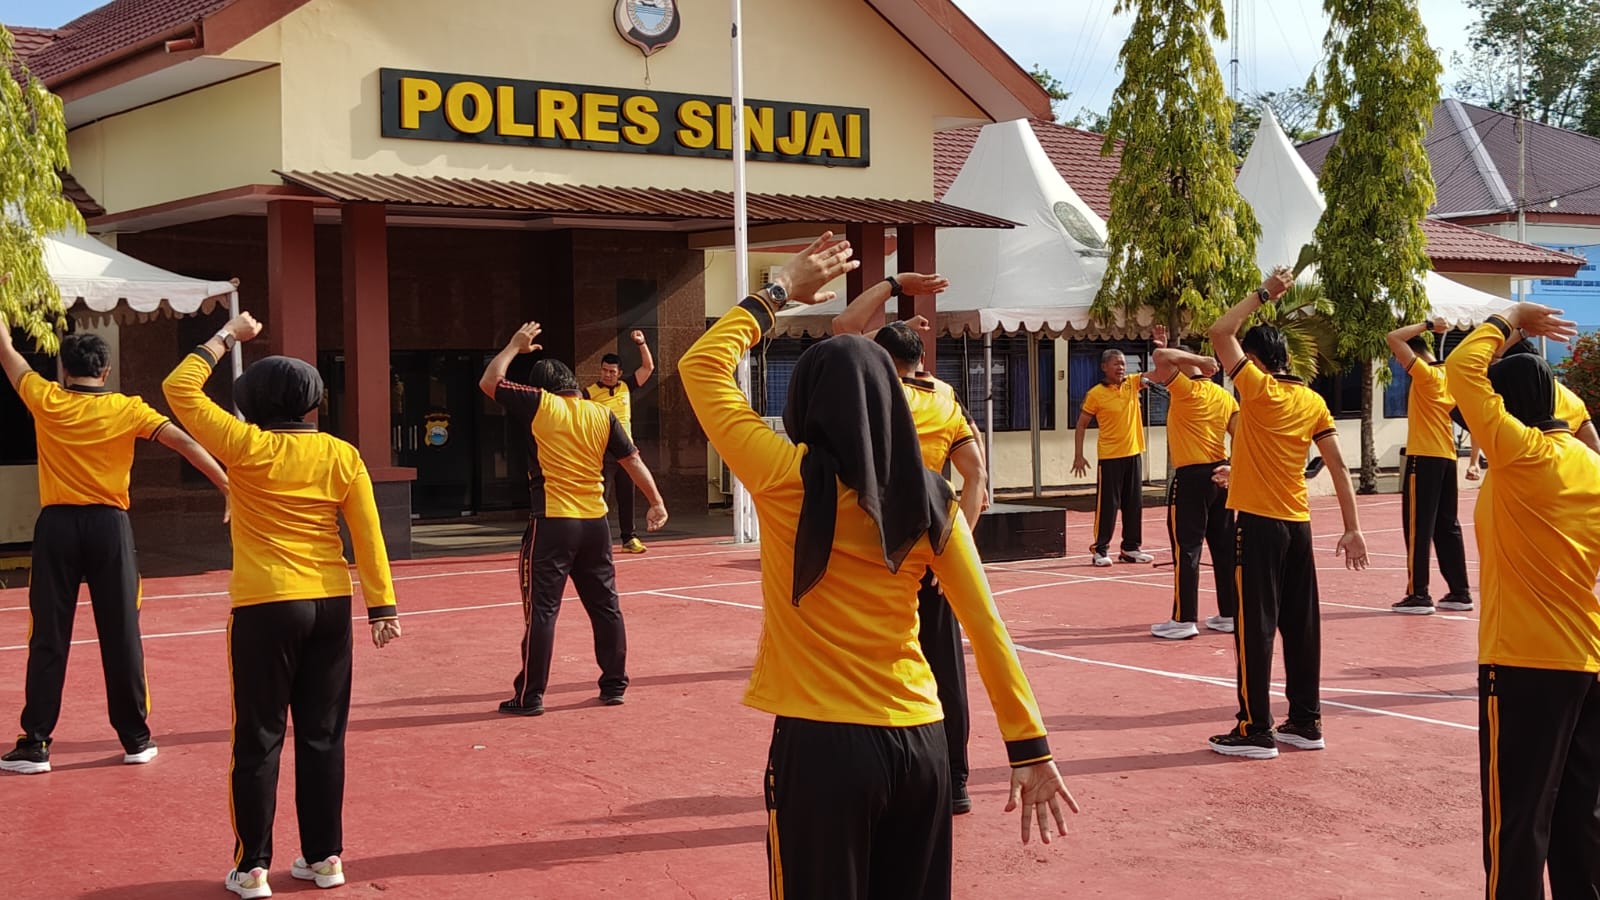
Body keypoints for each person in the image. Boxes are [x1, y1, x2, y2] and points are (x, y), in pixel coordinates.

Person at [681, 233, 1076, 899]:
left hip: (822, 744)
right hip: (920, 740)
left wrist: (778, 290)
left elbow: (701, 367)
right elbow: (986, 628)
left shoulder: (784, 478)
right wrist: (1028, 746)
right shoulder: (933, 498)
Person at [160, 313, 402, 899]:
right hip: (330, 602)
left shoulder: (245, 444)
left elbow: (177, 388)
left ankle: (252, 868)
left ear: (254, 402)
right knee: (323, 735)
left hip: (266, 603)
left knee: (259, 737)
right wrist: (382, 606)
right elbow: (367, 534)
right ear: (313, 402)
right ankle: (325, 858)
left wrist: (226, 336)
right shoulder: (342, 454)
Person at [0, 319, 228, 776]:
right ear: (105, 371)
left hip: (57, 526)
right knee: (122, 631)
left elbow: (6, 351)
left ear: (64, 370)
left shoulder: (46, 398)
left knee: (48, 635)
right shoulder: (128, 409)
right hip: (110, 526)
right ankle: (136, 738)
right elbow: (184, 442)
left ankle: (36, 743)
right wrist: (226, 485)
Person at [1444, 302, 1600, 899]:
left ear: (1503, 409)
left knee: (1517, 826)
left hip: (1523, 662)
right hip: (1586, 661)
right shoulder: (1589, 466)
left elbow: (1461, 369)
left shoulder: (1519, 452)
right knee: (1579, 821)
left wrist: (1509, 319)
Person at [835, 280, 990, 817]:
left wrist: (894, 285)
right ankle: (956, 781)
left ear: (880, 360)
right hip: (932, 545)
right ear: (921, 358)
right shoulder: (945, 398)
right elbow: (977, 477)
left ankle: (875, 777)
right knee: (946, 667)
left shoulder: (875, 392)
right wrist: (956, 546)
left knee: (866, 662)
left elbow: (843, 328)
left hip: (875, 548)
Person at [1206, 267, 1368, 759]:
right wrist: (1353, 528)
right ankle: (1305, 721)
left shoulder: (1258, 389)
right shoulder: (1312, 401)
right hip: (1298, 525)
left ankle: (1255, 728)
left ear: (1255, 361)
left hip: (1258, 526)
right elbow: (1337, 466)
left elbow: (1220, 331)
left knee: (1254, 628)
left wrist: (1264, 293)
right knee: (1301, 626)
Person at [482, 322, 667, 717]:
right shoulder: (601, 413)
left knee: (543, 612)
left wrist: (514, 345)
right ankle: (614, 684)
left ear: (543, 388)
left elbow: (490, 381)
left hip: (553, 520)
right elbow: (632, 460)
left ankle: (530, 695)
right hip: (596, 523)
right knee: (606, 606)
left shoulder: (540, 404)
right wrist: (656, 501)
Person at [1143, 326, 1239, 641]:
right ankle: (1229, 613)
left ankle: (1184, 619)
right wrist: (1233, 468)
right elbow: (1241, 437)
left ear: (1183, 369)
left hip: (1191, 478)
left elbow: (1162, 358)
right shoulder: (1225, 397)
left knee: (1187, 548)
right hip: (1221, 475)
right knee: (1223, 549)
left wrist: (1192, 357)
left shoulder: (1185, 390)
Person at [1385, 318, 1473, 615]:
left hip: (1423, 457)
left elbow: (1393, 338)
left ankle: (1418, 593)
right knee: (1447, 526)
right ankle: (1460, 591)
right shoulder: (1450, 376)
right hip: (1447, 457)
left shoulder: (1425, 374)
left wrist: (1428, 324)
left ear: (1415, 353)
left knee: (1417, 528)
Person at [1073, 347, 1154, 567]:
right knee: (1108, 506)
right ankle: (1100, 549)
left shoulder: (1132, 383)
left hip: (1133, 453)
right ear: (1104, 367)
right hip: (1110, 457)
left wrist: (1161, 347)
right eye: (1116, 363)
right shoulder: (1095, 394)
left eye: (1123, 363)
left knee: (1134, 504)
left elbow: (1159, 373)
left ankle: (1130, 548)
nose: (1121, 367)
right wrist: (1078, 455)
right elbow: (1081, 425)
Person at [586, 331, 655, 554]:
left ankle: (629, 539)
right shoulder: (589, 393)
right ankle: (597, 541)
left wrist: (641, 344)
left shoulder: (626, 386)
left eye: (612, 371)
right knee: (600, 499)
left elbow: (648, 368)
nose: (607, 375)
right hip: (602, 453)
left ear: (619, 373)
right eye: (604, 370)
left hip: (626, 453)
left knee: (627, 496)